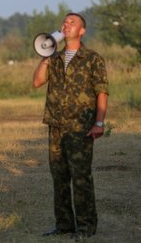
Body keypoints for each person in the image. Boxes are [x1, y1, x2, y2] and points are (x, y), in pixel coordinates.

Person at [32, 13, 109, 240]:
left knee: (81, 177)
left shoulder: (92, 58)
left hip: (80, 127)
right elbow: (37, 82)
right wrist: (45, 56)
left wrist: (99, 122)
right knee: (59, 176)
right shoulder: (54, 58)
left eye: (71, 22)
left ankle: (86, 227)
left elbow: (101, 92)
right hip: (56, 125)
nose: (66, 25)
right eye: (64, 22)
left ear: (82, 31)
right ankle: (64, 225)